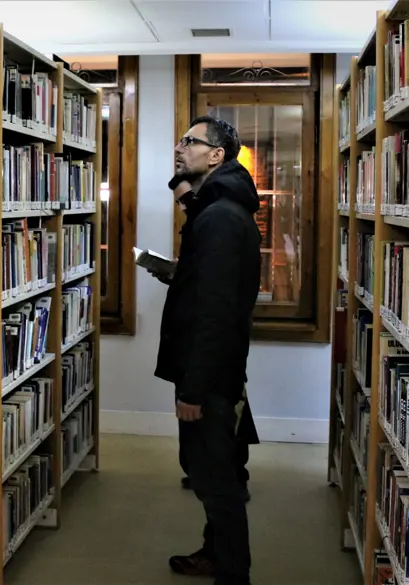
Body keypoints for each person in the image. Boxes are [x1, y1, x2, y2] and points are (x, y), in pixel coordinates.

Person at [155, 115, 261, 585]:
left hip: (209, 377)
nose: (179, 148)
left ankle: (232, 574)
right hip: (220, 369)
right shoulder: (222, 205)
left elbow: (213, 314)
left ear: (217, 155)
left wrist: (193, 390)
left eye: (190, 142)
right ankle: (215, 554)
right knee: (218, 471)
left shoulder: (219, 217)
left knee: (215, 480)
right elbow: (211, 282)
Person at [164, 174, 260, 495]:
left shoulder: (218, 219)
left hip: (213, 346)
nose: (183, 206)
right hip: (209, 345)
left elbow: (217, 304)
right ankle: (208, 474)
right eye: (179, 202)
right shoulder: (207, 217)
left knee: (218, 419)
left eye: (185, 199)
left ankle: (229, 478)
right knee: (213, 422)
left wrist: (192, 390)